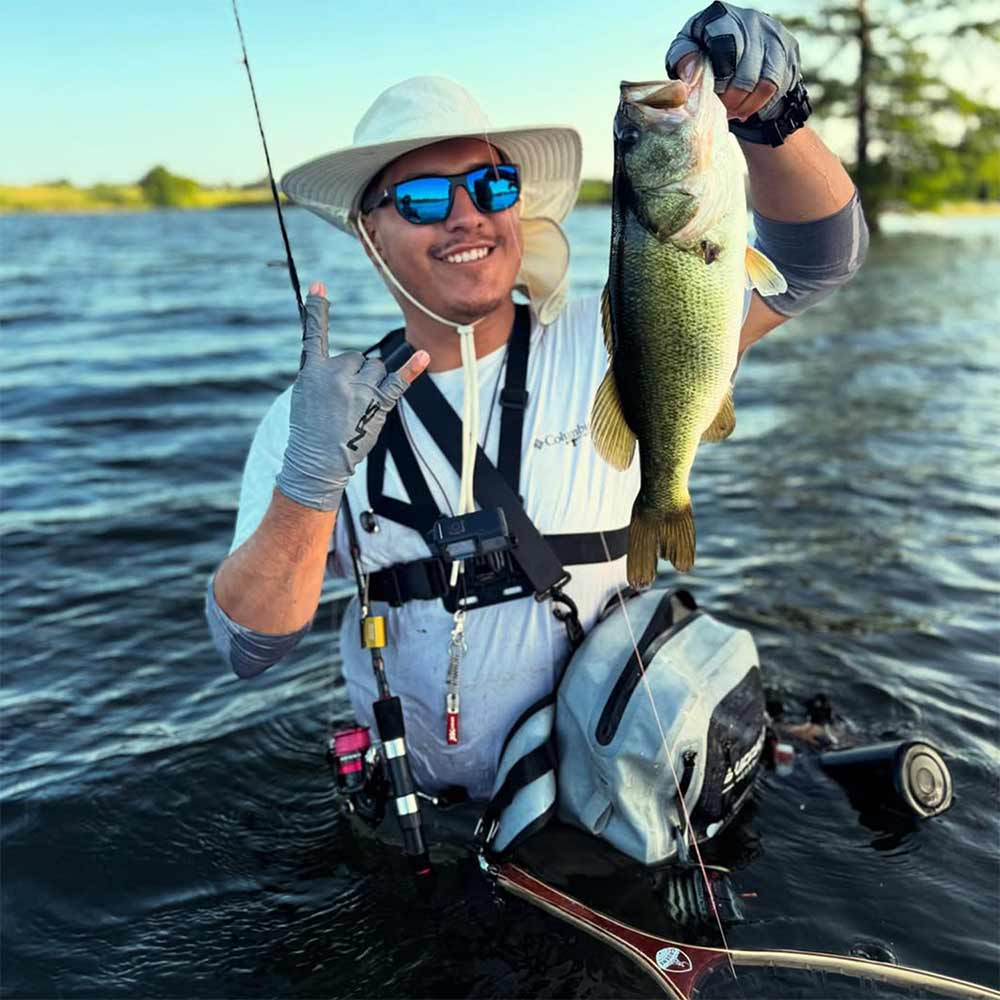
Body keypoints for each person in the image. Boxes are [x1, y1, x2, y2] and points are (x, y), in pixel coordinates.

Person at [207, 4, 868, 803]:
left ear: (516, 205)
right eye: (422, 198)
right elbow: (249, 648)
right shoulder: (313, 418)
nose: (466, 215)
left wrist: (771, 117)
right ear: (369, 231)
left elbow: (820, 260)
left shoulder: (614, 336)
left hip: (617, 808)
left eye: (492, 185)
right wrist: (307, 487)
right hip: (433, 827)